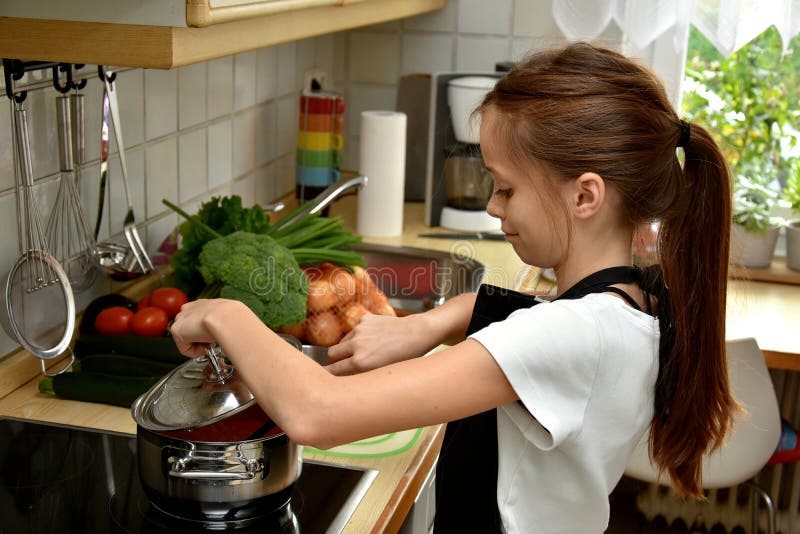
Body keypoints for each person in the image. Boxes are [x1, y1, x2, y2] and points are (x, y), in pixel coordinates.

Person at [170, 42, 737, 533]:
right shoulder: (633, 298)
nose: (492, 206)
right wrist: (429, 322)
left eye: (507, 189)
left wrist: (227, 316)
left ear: (585, 196)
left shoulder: (572, 334)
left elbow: (318, 414)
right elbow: (525, 314)